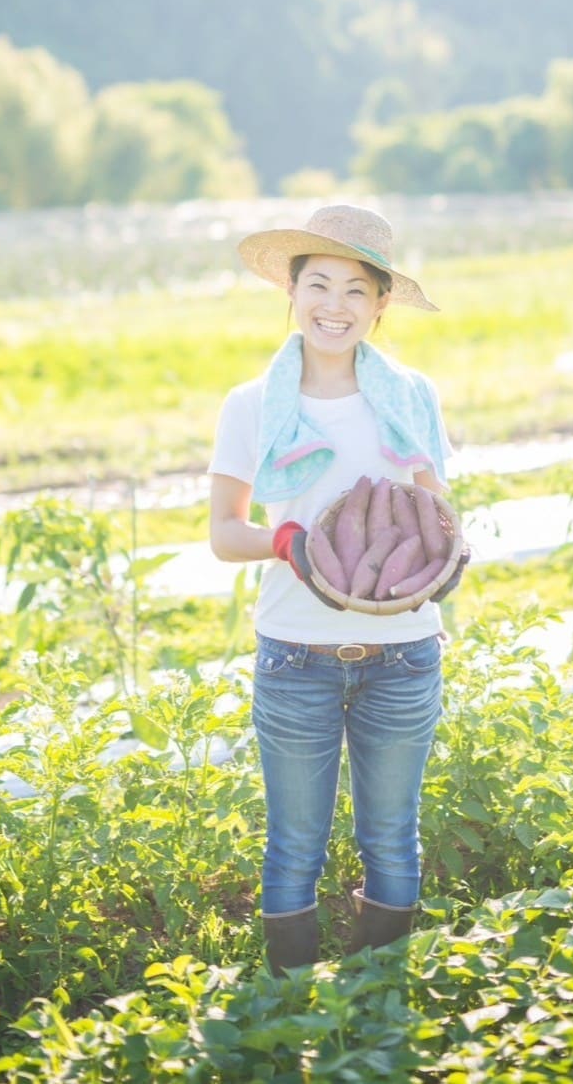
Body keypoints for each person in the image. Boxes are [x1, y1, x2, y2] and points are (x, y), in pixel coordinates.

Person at [208, 204, 465, 975]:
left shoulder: (411, 393)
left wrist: (447, 554)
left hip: (403, 652)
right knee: (294, 842)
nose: (334, 304)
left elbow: (434, 514)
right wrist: (286, 541)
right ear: (289, 293)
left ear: (381, 304)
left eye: (356, 289)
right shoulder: (252, 404)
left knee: (392, 835)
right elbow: (225, 531)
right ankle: (288, 1012)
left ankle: (371, 1006)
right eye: (317, 283)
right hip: (295, 653)